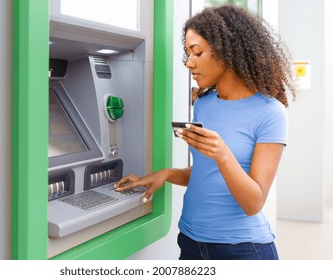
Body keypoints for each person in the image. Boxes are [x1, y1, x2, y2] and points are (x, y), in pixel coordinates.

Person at [114, 5, 297, 260]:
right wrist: (166, 174)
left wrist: (222, 153)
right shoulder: (203, 105)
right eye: (188, 53)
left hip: (241, 250)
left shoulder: (270, 113)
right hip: (190, 243)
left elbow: (253, 202)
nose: (189, 62)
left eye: (197, 52)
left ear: (227, 52)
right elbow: (207, 173)